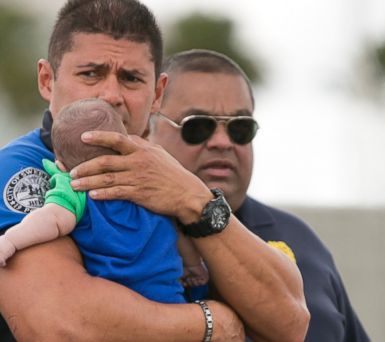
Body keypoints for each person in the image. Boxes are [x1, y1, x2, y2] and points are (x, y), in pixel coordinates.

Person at [0, 1, 309, 341]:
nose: (111, 94)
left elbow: (290, 323)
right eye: (90, 74)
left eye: (131, 78)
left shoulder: (174, 177)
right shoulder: (19, 173)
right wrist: (213, 324)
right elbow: (63, 327)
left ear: (157, 93)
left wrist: (195, 201)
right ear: (47, 80)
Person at [147, 49, 370, 342]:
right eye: (198, 126)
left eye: (240, 128)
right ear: (146, 131)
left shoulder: (301, 241)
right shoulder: (113, 236)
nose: (222, 142)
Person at [0, 98, 208, 298]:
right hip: (168, 294)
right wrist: (193, 265)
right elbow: (178, 230)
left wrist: (10, 241)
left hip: (119, 298)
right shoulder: (149, 184)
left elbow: (52, 220)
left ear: (60, 164)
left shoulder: (75, 187)